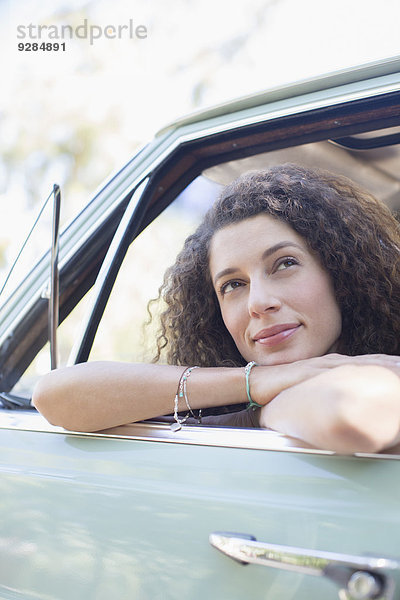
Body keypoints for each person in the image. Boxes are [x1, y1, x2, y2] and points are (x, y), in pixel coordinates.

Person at [33, 164, 400, 453]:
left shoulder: (382, 371)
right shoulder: (216, 404)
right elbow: (53, 396)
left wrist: (271, 403)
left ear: (340, 274)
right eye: (233, 285)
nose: (258, 303)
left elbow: (356, 413)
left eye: (285, 264)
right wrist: (256, 383)